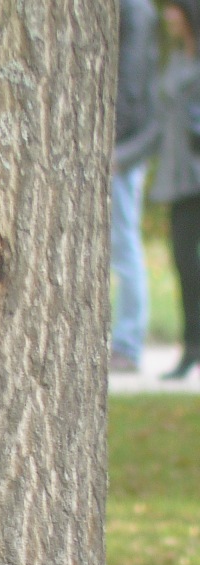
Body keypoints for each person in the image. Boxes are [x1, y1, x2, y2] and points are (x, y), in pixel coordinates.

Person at [119, 0, 200, 379]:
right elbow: (160, 125)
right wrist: (124, 156)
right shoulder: (178, 59)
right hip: (180, 177)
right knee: (184, 263)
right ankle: (192, 347)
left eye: (174, 10)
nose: (168, 17)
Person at [110, 0, 159, 374]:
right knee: (120, 242)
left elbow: (131, 80)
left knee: (123, 242)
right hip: (126, 138)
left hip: (124, 143)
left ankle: (128, 343)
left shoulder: (134, 9)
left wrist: (114, 144)